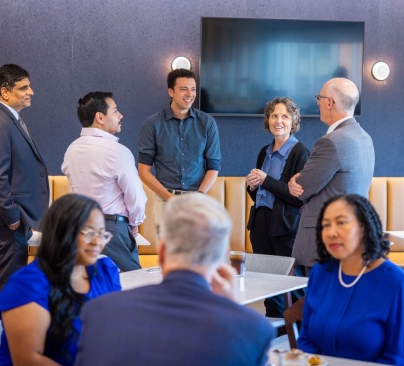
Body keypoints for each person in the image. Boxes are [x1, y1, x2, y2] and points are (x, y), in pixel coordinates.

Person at [75, 194, 275, 366]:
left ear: (161, 253)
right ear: (223, 257)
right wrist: (230, 311)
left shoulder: (97, 311)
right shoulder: (254, 330)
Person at [0, 194, 122, 366]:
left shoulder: (106, 272)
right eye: (89, 233)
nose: (97, 242)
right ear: (62, 232)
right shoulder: (28, 284)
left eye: (102, 234)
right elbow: (27, 360)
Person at [297, 194, 404, 365]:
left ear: (364, 227)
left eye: (341, 222)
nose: (331, 232)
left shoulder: (397, 285)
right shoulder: (321, 273)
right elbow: (306, 340)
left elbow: (396, 359)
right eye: (326, 225)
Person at [0, 64, 50, 321]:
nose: (31, 92)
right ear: (5, 92)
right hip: (6, 222)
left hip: (13, 221)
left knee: (10, 284)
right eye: (24, 87)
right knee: (4, 287)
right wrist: (13, 216)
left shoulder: (9, 118)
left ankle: (5, 343)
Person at [288, 78, 375, 275]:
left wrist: (295, 180)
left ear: (330, 102)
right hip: (353, 236)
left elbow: (304, 187)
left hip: (324, 240)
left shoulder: (331, 142)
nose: (317, 102)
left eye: (319, 97)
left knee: (318, 303)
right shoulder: (365, 138)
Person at [62, 91, 147, 271]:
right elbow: (137, 198)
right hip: (112, 231)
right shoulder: (118, 152)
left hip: (79, 228)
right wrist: (134, 224)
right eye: (115, 111)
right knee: (129, 287)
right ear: (100, 117)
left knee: (90, 287)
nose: (120, 115)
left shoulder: (72, 149)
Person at [246, 97, 309, 317]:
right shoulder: (265, 151)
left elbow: (298, 198)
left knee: (293, 287)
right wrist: (252, 185)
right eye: (274, 116)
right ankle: (276, 336)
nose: (278, 121)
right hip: (260, 224)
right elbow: (259, 193)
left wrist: (265, 180)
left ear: (293, 121)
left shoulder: (301, 153)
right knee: (267, 287)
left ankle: (300, 340)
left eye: (284, 116)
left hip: (285, 228)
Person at [137, 69, 221, 227]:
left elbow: (213, 167)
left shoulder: (207, 122)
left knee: (196, 251)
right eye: (184, 89)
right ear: (171, 91)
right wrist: (170, 198)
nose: (190, 94)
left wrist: (200, 196)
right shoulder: (152, 123)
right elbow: (144, 172)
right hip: (165, 200)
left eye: (193, 89)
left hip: (196, 200)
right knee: (168, 251)